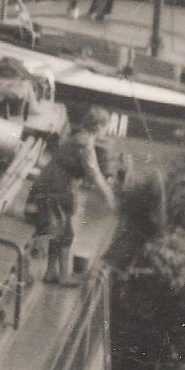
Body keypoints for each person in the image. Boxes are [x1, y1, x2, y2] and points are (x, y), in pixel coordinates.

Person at [28, 107, 116, 286]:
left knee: (58, 231)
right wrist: (110, 198)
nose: (105, 132)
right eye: (105, 127)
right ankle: (63, 276)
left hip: (54, 183)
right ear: (99, 126)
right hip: (57, 186)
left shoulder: (78, 137)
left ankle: (51, 272)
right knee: (66, 233)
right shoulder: (85, 143)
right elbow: (94, 173)